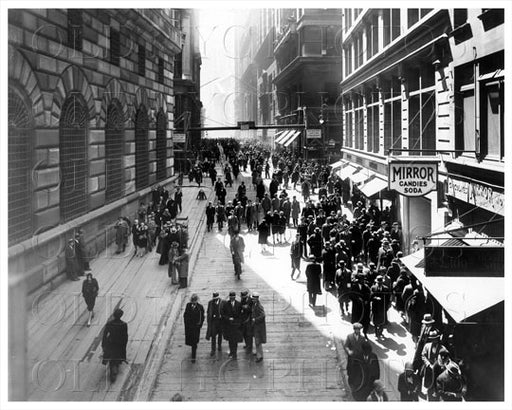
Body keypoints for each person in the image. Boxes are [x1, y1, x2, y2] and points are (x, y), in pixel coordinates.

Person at [102, 308, 128, 382]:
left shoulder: (109, 324)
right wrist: (124, 345)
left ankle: (112, 367)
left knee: (109, 356)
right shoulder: (124, 324)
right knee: (119, 356)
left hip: (110, 343)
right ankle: (117, 365)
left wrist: (103, 344)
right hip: (119, 343)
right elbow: (125, 336)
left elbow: (105, 335)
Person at [221, 291, 243, 359]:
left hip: (236, 325)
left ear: (234, 297)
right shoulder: (226, 304)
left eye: (233, 297)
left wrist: (238, 322)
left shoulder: (238, 304)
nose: (232, 298)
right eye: (231, 297)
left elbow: (240, 315)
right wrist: (228, 318)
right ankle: (231, 352)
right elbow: (223, 314)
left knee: (235, 340)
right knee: (230, 340)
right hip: (229, 325)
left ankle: (235, 353)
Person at [183, 294, 205, 363]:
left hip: (196, 328)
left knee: (194, 342)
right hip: (189, 327)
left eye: (194, 301)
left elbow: (202, 318)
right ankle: (193, 351)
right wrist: (187, 324)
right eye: (192, 301)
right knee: (191, 341)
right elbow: (185, 315)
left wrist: (199, 325)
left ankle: (193, 357)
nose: (193, 303)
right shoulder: (188, 305)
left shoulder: (200, 307)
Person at [345, 322, 366, 389]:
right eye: (357, 329)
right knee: (351, 370)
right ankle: (351, 382)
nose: (358, 331)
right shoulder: (349, 337)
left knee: (358, 371)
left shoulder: (362, 338)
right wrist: (348, 351)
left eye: (359, 329)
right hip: (352, 357)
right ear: (354, 329)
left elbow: (365, 347)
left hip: (359, 357)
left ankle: (357, 383)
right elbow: (346, 346)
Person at [206, 292, 223, 356]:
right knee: (213, 335)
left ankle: (219, 345)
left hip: (220, 322)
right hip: (213, 322)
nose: (215, 300)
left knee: (220, 334)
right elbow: (208, 311)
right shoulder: (210, 303)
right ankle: (213, 349)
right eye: (214, 299)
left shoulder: (222, 302)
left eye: (216, 298)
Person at [251, 292, 266, 362]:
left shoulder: (259, 306)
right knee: (257, 341)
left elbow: (263, 315)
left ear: (257, 299)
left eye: (254, 299)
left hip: (258, 326)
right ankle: (258, 353)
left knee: (258, 341)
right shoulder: (255, 304)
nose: (252, 300)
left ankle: (259, 356)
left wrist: (255, 319)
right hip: (256, 326)